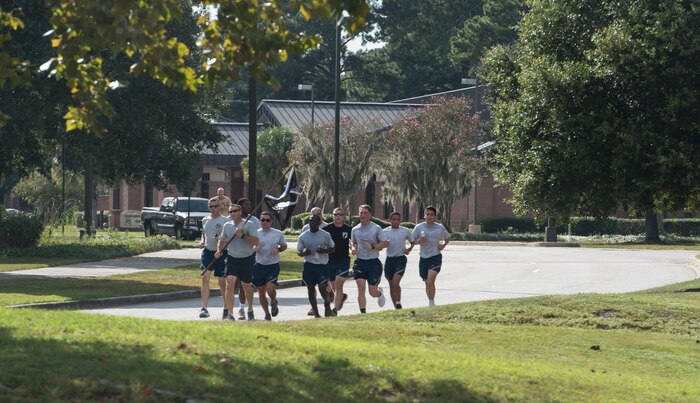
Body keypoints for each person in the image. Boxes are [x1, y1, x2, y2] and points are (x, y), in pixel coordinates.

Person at [216, 204, 259, 320]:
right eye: (231, 212)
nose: (233, 213)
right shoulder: (227, 225)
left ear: (240, 212)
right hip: (232, 258)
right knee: (229, 283)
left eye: (235, 211)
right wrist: (219, 250)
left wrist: (242, 235)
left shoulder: (249, 224)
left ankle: (250, 309)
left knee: (246, 286)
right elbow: (221, 240)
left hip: (247, 258)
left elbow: (256, 242)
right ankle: (230, 313)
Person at [350, 204, 388, 313]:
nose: (363, 215)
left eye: (365, 213)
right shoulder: (355, 229)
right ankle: (363, 313)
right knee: (361, 288)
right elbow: (353, 243)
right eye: (361, 213)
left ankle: (379, 293)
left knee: (372, 292)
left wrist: (373, 246)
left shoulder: (376, 228)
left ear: (370, 215)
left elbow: (384, 243)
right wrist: (353, 248)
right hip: (360, 262)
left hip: (373, 263)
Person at [198, 197, 231, 319]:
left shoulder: (225, 220)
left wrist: (221, 241)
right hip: (207, 252)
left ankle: (226, 307)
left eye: (215, 206)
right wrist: (202, 242)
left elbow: (229, 238)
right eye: (210, 207)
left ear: (220, 207)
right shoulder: (205, 219)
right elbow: (204, 233)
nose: (213, 209)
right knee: (205, 277)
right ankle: (204, 308)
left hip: (222, 253)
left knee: (222, 282)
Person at [297, 214, 335, 318]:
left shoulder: (325, 235)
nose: (311, 223)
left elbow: (333, 248)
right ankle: (316, 313)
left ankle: (327, 302)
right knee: (310, 288)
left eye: (314, 221)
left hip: (322, 265)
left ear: (319, 223)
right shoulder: (304, 236)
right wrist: (304, 253)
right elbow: (299, 252)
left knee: (322, 287)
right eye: (310, 221)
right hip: (309, 265)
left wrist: (324, 251)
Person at [412, 206, 450, 307]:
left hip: (435, 257)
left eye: (431, 215)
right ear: (424, 215)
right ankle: (430, 301)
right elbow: (411, 241)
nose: (429, 216)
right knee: (427, 283)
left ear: (435, 216)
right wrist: (419, 241)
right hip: (423, 258)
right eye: (427, 214)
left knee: (430, 281)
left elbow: (447, 237)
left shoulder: (440, 227)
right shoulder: (419, 227)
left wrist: (443, 245)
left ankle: (431, 304)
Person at [253, 211, 287, 321]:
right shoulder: (256, 233)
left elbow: (284, 245)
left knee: (270, 288)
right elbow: (252, 245)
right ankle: (267, 314)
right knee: (261, 291)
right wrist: (255, 248)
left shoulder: (277, 233)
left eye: (267, 220)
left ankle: (273, 300)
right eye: (262, 220)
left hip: (273, 265)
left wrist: (278, 249)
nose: (265, 222)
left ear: (271, 221)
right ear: (260, 221)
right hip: (259, 265)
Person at [234, 197, 260, 319]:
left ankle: (243, 309)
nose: (249, 207)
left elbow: (257, 238)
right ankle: (237, 308)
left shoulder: (254, 220)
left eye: (250, 204)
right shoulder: (233, 220)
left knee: (245, 283)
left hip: (248, 255)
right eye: (246, 205)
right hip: (233, 255)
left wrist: (255, 246)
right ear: (239, 207)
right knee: (235, 282)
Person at [382, 211, 415, 309]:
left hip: (400, 259)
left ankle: (398, 301)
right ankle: (396, 307)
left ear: (400, 220)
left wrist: (408, 249)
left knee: (396, 283)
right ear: (390, 220)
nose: (396, 222)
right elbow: (379, 243)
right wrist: (384, 244)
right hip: (389, 260)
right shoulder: (385, 231)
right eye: (394, 219)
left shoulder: (405, 231)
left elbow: (412, 242)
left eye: (398, 220)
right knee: (391, 285)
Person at [323, 207, 351, 315]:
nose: (338, 217)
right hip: (330, 260)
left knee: (339, 286)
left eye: (340, 214)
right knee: (333, 286)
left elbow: (353, 242)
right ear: (333, 216)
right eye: (335, 215)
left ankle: (334, 310)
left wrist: (354, 247)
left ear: (343, 216)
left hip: (343, 260)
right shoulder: (327, 229)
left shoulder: (348, 229)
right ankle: (342, 297)